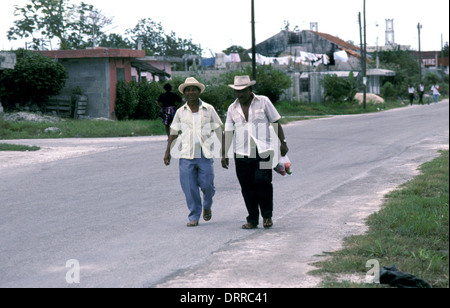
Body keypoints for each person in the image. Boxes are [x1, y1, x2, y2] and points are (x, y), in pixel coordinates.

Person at [221, 75, 289, 229]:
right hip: (241, 153)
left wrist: (283, 142)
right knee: (247, 187)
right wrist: (224, 154)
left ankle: (267, 216)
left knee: (263, 182)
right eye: (237, 91)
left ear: (250, 89)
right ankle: (252, 219)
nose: (240, 94)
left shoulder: (263, 101)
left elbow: (275, 122)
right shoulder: (232, 108)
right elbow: (228, 131)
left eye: (243, 90)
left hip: (264, 150)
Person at [164, 77, 223, 227]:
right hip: (186, 154)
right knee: (189, 188)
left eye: (193, 89)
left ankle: (207, 205)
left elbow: (218, 130)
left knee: (207, 186)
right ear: (184, 93)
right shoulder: (180, 112)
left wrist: (224, 152)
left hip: (205, 154)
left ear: (198, 91)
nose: (191, 92)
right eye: (188, 90)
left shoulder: (208, 109)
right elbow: (174, 132)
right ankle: (194, 215)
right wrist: (168, 152)